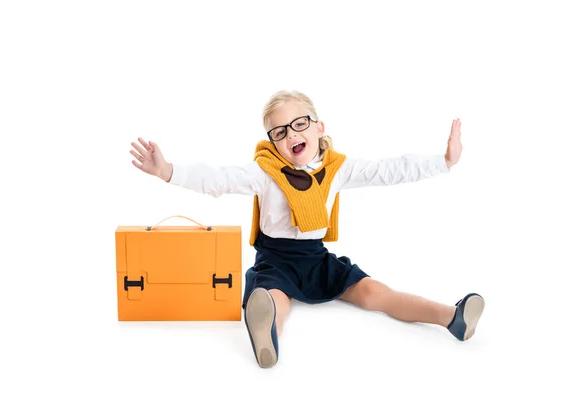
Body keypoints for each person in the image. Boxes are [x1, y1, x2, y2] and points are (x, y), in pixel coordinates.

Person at [129, 90, 485, 369]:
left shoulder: (337, 168)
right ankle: (267, 329)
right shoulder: (265, 171)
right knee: (276, 299)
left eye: (299, 124)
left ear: (319, 127)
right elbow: (219, 179)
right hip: (276, 260)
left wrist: (445, 161)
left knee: (375, 293)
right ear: (272, 140)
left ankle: (451, 317)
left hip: (317, 259)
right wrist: (169, 171)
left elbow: (389, 170)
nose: (291, 135)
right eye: (279, 131)